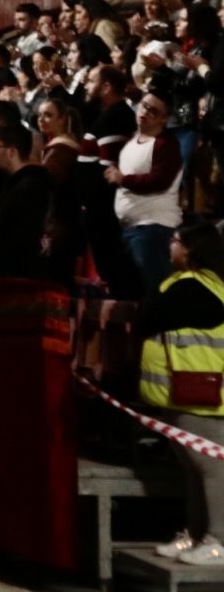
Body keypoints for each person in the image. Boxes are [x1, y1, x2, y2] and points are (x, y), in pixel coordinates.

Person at [140, 222, 224, 566]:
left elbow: (149, 315)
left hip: (203, 396)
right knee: (193, 469)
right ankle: (195, 534)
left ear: (189, 249)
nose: (169, 247)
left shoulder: (195, 287)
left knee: (211, 468)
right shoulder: (193, 284)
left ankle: (218, 540)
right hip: (184, 395)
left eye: (174, 241)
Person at [108, 89, 185, 297]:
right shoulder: (132, 142)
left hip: (154, 229)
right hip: (131, 228)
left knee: (156, 291)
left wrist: (122, 179)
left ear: (164, 118)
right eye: (144, 106)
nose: (145, 112)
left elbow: (159, 181)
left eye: (153, 111)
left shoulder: (165, 145)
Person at [0, 123, 56, 280]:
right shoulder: (23, 185)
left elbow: (17, 243)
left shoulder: (27, 189)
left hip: (19, 283)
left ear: (12, 151)